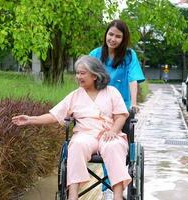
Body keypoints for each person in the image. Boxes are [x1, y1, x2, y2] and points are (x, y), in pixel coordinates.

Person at [12, 55, 131, 200]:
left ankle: (117, 196)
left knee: (114, 146)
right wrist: (31, 119)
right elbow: (55, 115)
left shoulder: (111, 91)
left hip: (108, 133)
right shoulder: (75, 95)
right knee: (76, 145)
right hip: (85, 134)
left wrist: (113, 131)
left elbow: (121, 116)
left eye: (82, 73)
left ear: (94, 75)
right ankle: (73, 196)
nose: (78, 76)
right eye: (77, 73)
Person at [89, 19, 145, 199]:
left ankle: (112, 186)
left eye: (118, 36)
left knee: (114, 145)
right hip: (99, 108)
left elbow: (132, 79)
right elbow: (85, 78)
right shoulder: (96, 54)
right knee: (103, 142)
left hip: (121, 108)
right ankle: (109, 187)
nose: (113, 39)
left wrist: (133, 103)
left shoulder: (129, 56)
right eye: (110, 34)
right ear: (106, 34)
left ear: (123, 39)